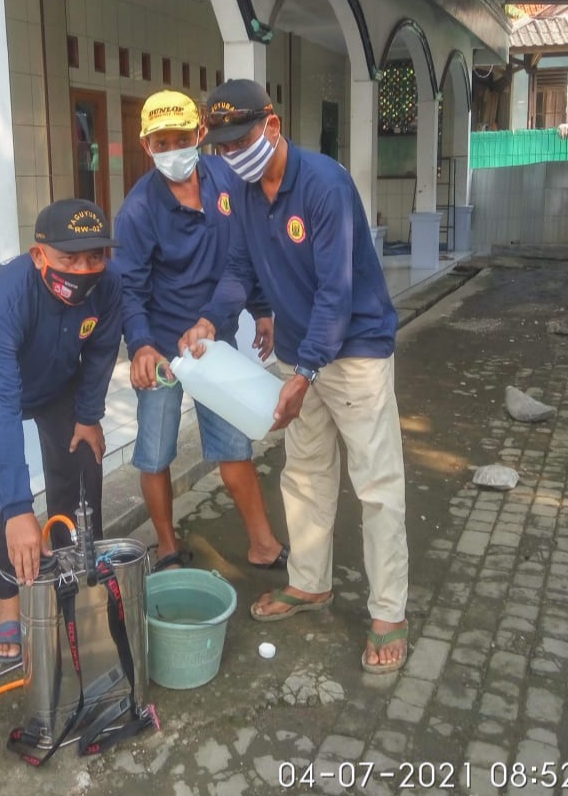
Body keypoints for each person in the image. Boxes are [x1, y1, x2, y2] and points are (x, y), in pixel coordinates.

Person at [179, 79, 409, 674]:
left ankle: (388, 613)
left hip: (353, 352)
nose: (232, 156)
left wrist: (303, 371)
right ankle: (310, 582)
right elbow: (237, 270)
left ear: (273, 125)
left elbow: (337, 293)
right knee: (305, 473)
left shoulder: (325, 185)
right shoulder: (244, 194)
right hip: (299, 354)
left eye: (242, 140)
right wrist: (209, 319)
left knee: (376, 486)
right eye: (223, 147)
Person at [109, 89, 288, 571]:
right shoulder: (139, 212)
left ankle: (263, 543)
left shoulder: (227, 180)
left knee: (233, 442)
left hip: (215, 342)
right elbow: (129, 289)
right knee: (155, 449)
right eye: (160, 143)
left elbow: (245, 251)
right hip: (164, 347)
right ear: (146, 145)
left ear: (201, 135)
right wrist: (142, 347)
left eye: (181, 138)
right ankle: (166, 545)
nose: (172, 151)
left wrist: (263, 308)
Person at [0, 198, 123, 663]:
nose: (84, 270)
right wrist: (19, 508)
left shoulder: (109, 287)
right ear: (39, 254)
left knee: (82, 462)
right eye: (70, 258)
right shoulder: (6, 297)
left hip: (54, 382)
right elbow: (0, 403)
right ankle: (8, 603)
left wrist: (88, 415)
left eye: (95, 257)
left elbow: (103, 350)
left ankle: (76, 575)